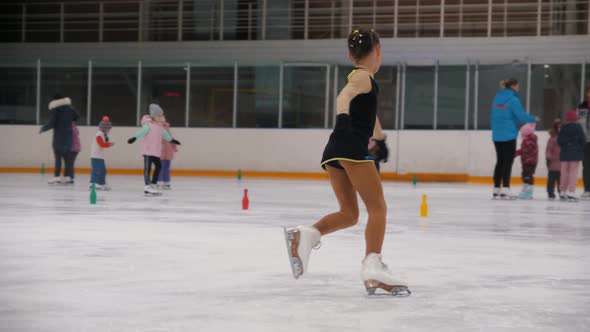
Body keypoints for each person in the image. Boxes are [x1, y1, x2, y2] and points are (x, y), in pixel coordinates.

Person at [283, 28, 409, 297]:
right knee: (378, 208)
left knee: (350, 214)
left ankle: (305, 235)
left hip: (335, 149)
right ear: (378, 51)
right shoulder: (363, 77)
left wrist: (380, 138)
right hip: (350, 146)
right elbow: (343, 99)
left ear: (350, 54)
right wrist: (342, 119)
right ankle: (373, 266)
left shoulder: (363, 79)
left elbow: (365, 115)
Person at [490, 79, 537, 199]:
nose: (518, 88)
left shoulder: (496, 98)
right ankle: (505, 188)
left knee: (500, 161)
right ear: (513, 86)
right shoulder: (513, 100)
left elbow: (495, 115)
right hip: (509, 134)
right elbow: (521, 116)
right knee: (507, 162)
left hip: (497, 134)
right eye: (518, 86)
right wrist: (533, 119)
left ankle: (496, 188)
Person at [127, 104, 180, 196]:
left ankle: (153, 184)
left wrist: (172, 140)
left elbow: (166, 135)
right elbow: (141, 132)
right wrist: (134, 138)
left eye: (161, 116)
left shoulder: (160, 127)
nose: (161, 117)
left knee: (159, 166)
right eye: (159, 116)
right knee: (147, 168)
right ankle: (147, 187)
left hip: (156, 152)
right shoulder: (148, 126)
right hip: (148, 151)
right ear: (153, 116)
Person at [39, 94, 79, 184]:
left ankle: (57, 177)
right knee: (67, 159)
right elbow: (77, 116)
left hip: (59, 138)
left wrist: (43, 128)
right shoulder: (70, 109)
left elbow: (52, 123)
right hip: (68, 137)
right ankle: (68, 177)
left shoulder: (55, 110)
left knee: (58, 158)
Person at [557, 111, 586, 202]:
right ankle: (571, 191)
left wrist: (566, 145)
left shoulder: (563, 128)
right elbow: (583, 140)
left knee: (564, 173)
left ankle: (562, 191)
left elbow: (559, 141)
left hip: (565, 153)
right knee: (573, 173)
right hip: (575, 153)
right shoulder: (578, 128)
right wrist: (578, 147)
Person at [90, 116, 114, 190]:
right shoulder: (99, 134)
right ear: (105, 128)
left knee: (103, 171)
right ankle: (93, 184)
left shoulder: (103, 134)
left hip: (100, 156)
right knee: (97, 170)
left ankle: (102, 183)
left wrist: (107, 142)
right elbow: (101, 144)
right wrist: (109, 144)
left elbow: (103, 143)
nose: (109, 130)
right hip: (96, 156)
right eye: (108, 129)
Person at [515, 123, 538, 199]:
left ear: (526, 133)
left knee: (527, 176)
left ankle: (528, 192)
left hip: (529, 162)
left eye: (522, 133)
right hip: (528, 161)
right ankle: (526, 190)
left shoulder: (528, 141)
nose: (521, 135)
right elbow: (524, 151)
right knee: (525, 175)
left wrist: (517, 153)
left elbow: (525, 151)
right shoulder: (529, 140)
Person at [577, 86, 590, 199]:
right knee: (586, 166)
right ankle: (587, 189)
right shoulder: (582, 106)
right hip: (585, 141)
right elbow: (581, 122)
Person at [158, 116, 177, 190]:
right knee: (162, 168)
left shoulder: (165, 128)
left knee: (164, 168)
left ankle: (165, 183)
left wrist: (174, 147)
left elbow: (171, 139)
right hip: (162, 152)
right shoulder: (160, 128)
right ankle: (163, 182)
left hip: (166, 152)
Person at [545, 119, 561, 200]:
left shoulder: (561, 138)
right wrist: (548, 158)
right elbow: (549, 149)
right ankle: (551, 192)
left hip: (560, 162)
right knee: (552, 179)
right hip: (553, 162)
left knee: (559, 179)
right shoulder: (553, 139)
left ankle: (559, 191)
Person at [67, 120, 81, 185]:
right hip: (76, 148)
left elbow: (70, 138)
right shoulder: (75, 127)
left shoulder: (71, 128)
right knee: (70, 163)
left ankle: (70, 178)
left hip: (73, 149)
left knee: (70, 163)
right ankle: (70, 177)